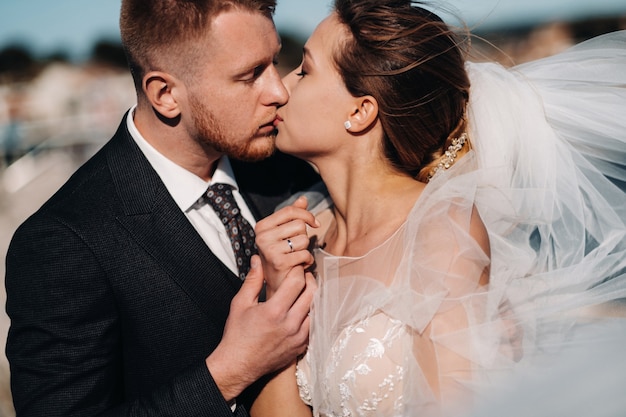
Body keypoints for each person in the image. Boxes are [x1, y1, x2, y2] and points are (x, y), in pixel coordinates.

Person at [248, 0, 626, 416]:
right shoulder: (300, 229)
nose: (283, 85)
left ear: (360, 112)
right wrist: (277, 298)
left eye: (305, 70)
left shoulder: (442, 234)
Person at [5, 0, 321, 416]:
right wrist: (227, 372)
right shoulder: (63, 240)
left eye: (274, 62)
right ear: (166, 94)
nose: (278, 91)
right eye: (249, 76)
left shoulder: (291, 169)